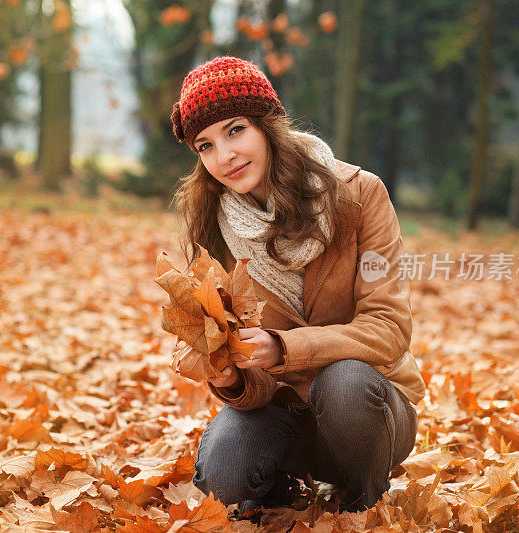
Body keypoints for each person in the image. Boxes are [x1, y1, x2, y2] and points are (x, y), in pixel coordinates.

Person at [169, 56, 426, 518]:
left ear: (268, 125)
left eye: (235, 130)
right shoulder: (213, 227)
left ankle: (365, 497)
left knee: (344, 383)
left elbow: (388, 328)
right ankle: (277, 492)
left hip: (370, 408)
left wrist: (285, 347)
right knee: (223, 473)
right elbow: (250, 372)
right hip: (285, 414)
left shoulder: (360, 194)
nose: (223, 156)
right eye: (204, 146)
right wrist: (232, 376)